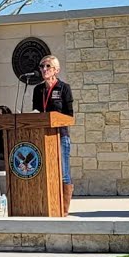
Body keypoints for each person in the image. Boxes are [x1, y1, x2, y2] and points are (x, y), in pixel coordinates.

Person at [33, 55, 75, 214]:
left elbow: (70, 116)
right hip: (41, 136)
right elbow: (36, 112)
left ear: (56, 70)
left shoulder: (64, 88)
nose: (44, 69)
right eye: (41, 66)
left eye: (48, 66)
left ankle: (63, 209)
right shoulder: (38, 90)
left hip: (60, 135)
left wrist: (54, 118)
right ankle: (47, 204)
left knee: (63, 172)